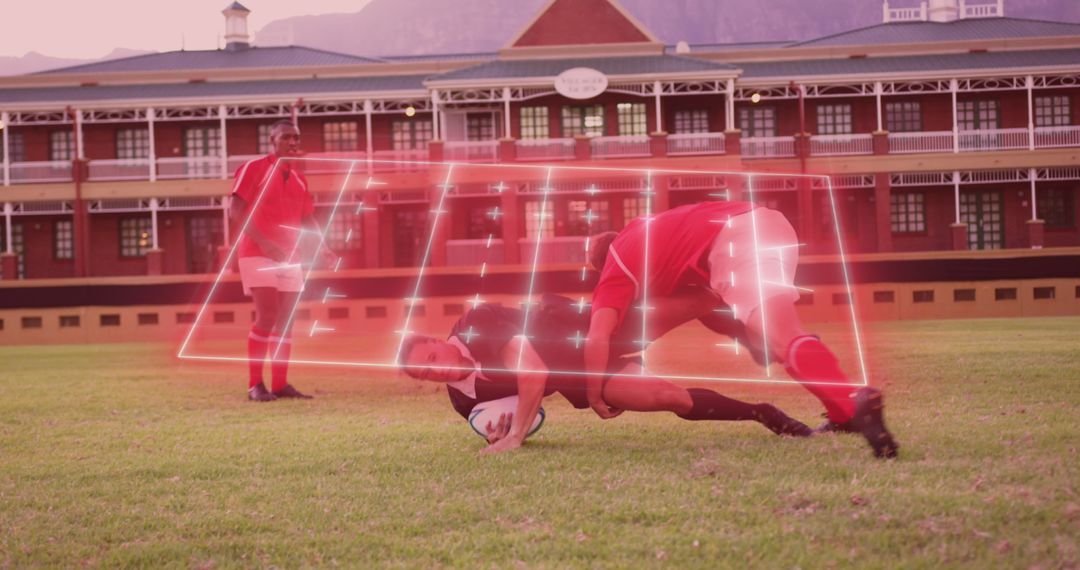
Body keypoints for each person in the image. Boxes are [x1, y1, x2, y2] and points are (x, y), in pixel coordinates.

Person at [585, 201, 899, 458]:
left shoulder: (616, 264)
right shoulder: (646, 234)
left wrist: (594, 394)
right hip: (767, 222)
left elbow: (598, 335)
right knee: (779, 338)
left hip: (735, 241)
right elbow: (705, 304)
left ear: (601, 266)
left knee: (783, 335)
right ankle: (843, 415)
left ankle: (856, 401)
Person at [398, 294, 813, 454]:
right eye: (425, 374)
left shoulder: (477, 321)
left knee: (685, 304)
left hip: (585, 331)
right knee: (668, 397)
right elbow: (518, 409)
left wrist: (514, 439)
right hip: (578, 376)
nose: (435, 371)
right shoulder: (463, 399)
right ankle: (764, 413)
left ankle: (751, 328)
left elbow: (533, 373)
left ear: (438, 340)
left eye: (431, 358)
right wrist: (497, 432)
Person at [230, 119, 334, 402]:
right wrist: (264, 242)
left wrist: (323, 247)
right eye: (286, 137)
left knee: (286, 321)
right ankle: (255, 386)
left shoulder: (300, 179)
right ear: (272, 140)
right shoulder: (254, 169)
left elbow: (307, 217)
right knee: (267, 315)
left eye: (296, 138)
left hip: (291, 257)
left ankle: (280, 385)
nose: (292, 142)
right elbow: (235, 210)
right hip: (257, 252)